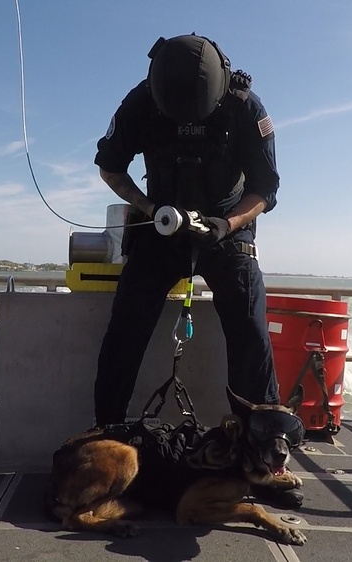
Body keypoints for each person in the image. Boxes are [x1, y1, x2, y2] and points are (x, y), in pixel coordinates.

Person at [92, 34, 301, 508]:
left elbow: (266, 190)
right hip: (159, 224)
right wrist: (149, 207)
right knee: (125, 327)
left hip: (227, 227)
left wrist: (228, 224)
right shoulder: (139, 102)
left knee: (251, 331)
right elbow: (110, 168)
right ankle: (105, 440)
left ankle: (267, 462)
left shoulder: (247, 107)